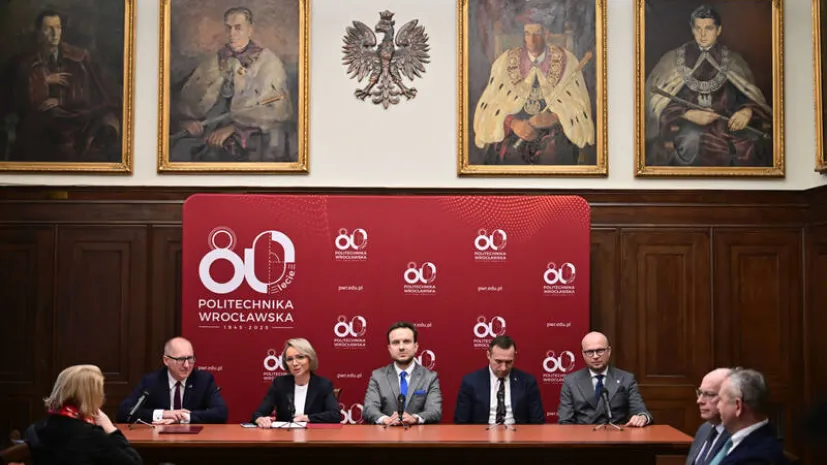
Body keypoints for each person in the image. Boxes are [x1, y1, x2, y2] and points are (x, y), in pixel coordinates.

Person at [644, 4, 772, 167]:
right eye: (698, 28)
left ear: (718, 30)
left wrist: (746, 112)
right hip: (687, 128)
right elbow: (658, 101)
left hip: (728, 128)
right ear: (692, 29)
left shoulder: (734, 61)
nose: (702, 35)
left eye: (709, 28)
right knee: (692, 144)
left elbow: (748, 98)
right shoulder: (672, 60)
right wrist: (687, 114)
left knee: (752, 148)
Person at [170, 6, 295, 162]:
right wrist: (187, 121)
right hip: (206, 129)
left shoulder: (269, 62)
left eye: (238, 28)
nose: (232, 34)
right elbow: (188, 101)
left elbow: (278, 109)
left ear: (250, 30)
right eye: (228, 28)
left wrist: (234, 127)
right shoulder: (213, 60)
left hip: (249, 134)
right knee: (179, 151)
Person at [472, 9, 594, 165]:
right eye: (527, 33)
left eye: (537, 33)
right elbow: (491, 105)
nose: (532, 39)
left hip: (554, 133)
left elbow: (579, 105)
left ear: (547, 34)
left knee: (557, 156)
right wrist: (514, 124)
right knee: (507, 157)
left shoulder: (567, 61)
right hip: (515, 133)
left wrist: (555, 117)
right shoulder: (505, 62)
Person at [10, 10, 120, 162]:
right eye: (49, 29)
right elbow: (20, 99)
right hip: (39, 124)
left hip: (75, 121)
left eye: (58, 27)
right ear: (39, 32)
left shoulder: (78, 58)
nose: (55, 33)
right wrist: (44, 80)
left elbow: (91, 94)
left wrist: (63, 101)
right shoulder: (26, 62)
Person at [25, 364, 142, 465]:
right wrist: (112, 430)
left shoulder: (34, 429)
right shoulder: (92, 436)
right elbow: (134, 463)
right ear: (91, 396)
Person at [116, 337, 227, 424]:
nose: (187, 365)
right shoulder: (151, 382)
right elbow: (124, 412)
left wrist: (182, 417)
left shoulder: (203, 380)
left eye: (190, 359)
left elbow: (221, 413)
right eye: (180, 360)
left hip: (194, 442)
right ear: (166, 360)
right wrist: (164, 414)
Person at [557, 331, 652, 427]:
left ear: (609, 351)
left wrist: (642, 417)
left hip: (617, 436)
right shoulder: (571, 381)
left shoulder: (626, 379)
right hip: (584, 438)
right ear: (583, 354)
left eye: (600, 351)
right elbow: (565, 421)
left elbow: (641, 411)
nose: (595, 356)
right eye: (590, 352)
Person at [363, 321, 442, 425]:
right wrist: (385, 419)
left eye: (406, 341)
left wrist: (415, 418)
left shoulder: (430, 377)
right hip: (386, 437)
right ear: (389, 348)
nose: (401, 347)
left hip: (419, 438)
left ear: (415, 346)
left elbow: (435, 411)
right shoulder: (378, 376)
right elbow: (369, 408)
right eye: (396, 342)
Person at [454, 335, 544, 425]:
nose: (503, 368)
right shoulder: (470, 382)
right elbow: (461, 423)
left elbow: (537, 422)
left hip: (518, 435)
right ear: (488, 355)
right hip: (481, 435)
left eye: (509, 362)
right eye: (498, 361)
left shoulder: (528, 382)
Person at [251, 338, 340, 426]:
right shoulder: (279, 383)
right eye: (289, 359)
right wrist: (260, 419)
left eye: (300, 357)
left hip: (314, 437)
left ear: (310, 358)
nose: (294, 363)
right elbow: (259, 413)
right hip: (284, 437)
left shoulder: (323, 384)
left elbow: (335, 415)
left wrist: (306, 418)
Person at [709, 368, 789, 465]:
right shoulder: (759, 437)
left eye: (721, 400)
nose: (717, 407)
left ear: (738, 406)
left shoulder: (755, 458)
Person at [686, 368, 733, 465]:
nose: (699, 401)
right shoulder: (704, 429)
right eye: (700, 393)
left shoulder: (736, 436)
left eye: (709, 394)